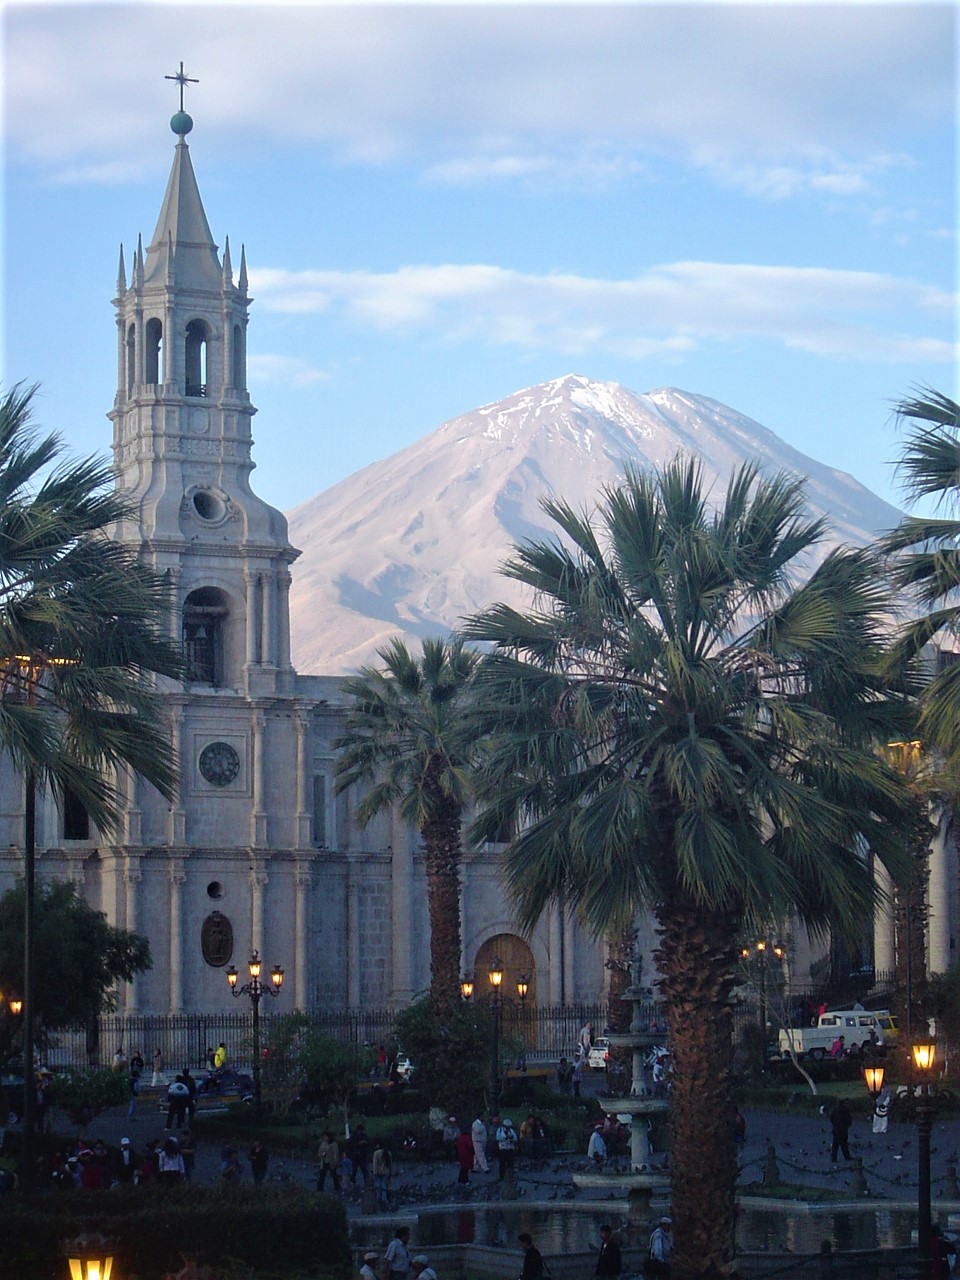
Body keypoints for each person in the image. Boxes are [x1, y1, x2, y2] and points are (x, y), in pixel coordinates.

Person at [496, 1116, 519, 1182]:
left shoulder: (511, 1131)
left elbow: (516, 1139)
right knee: (502, 1163)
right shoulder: (500, 1130)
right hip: (502, 1149)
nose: (507, 1127)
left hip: (510, 1149)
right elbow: (498, 1138)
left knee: (510, 1164)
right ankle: (501, 1176)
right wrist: (506, 1137)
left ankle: (510, 1176)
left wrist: (511, 1139)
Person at [372, 1138, 392, 1208]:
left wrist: (375, 1172)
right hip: (386, 1171)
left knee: (378, 1185)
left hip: (378, 1172)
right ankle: (384, 1199)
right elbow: (390, 1164)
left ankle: (379, 1198)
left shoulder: (376, 1153)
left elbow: (375, 1164)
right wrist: (390, 1173)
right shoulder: (388, 1153)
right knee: (384, 1185)